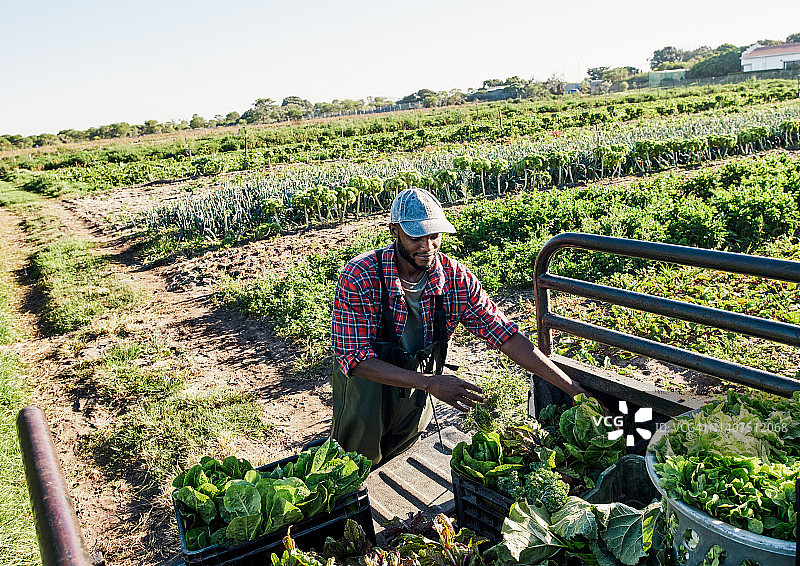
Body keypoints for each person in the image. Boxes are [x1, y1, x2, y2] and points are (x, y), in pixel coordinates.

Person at [331, 187, 587, 466]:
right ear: (395, 232)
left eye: (434, 236)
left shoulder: (456, 279)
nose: (427, 247)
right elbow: (353, 359)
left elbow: (505, 335)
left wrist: (573, 388)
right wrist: (429, 383)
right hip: (366, 393)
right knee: (354, 465)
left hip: (416, 394)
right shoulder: (361, 276)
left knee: (400, 458)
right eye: (416, 237)